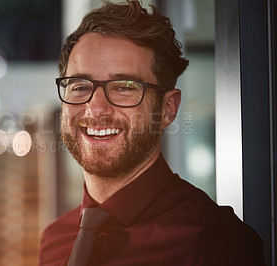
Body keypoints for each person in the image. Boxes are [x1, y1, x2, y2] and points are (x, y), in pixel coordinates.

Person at [39, 1, 265, 265]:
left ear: (168, 109)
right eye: (79, 86)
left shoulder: (215, 241)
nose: (96, 107)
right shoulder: (53, 240)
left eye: (124, 86)